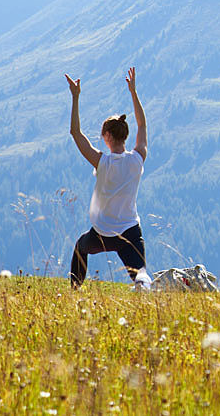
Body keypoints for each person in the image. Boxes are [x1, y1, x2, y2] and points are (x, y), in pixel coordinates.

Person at [66, 67, 152, 290]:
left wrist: (75, 97)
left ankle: (74, 290)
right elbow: (142, 125)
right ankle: (145, 293)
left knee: (80, 247)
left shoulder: (101, 162)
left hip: (103, 233)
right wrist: (133, 93)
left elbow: (75, 133)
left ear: (108, 136)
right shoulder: (137, 160)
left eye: (102, 134)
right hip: (130, 231)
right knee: (141, 274)